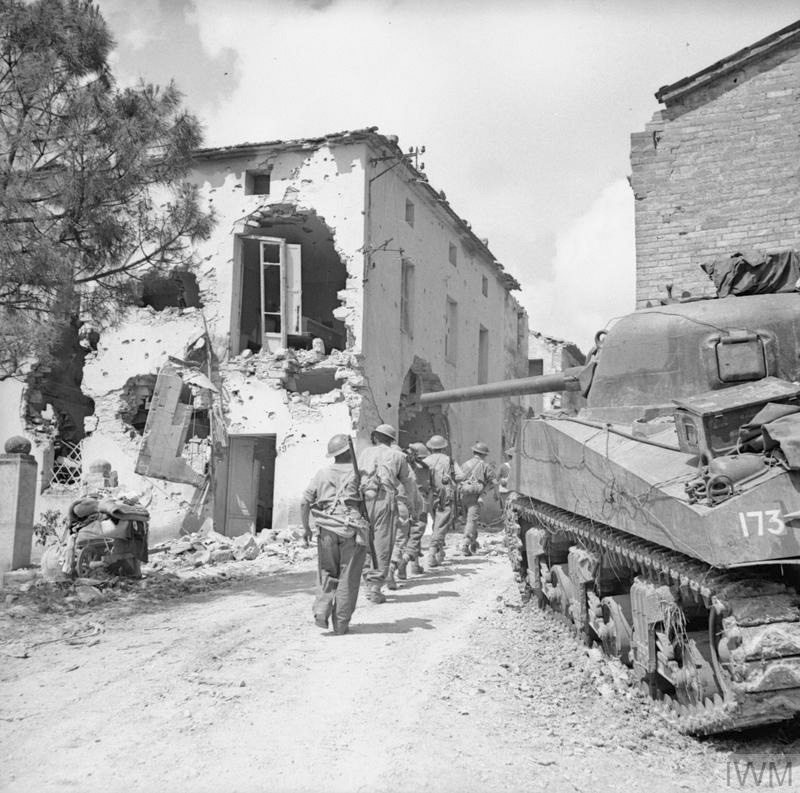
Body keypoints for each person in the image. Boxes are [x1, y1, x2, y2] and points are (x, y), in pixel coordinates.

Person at [300, 433, 368, 635]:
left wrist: (306, 528)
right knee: (348, 577)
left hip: (326, 528)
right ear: (350, 452)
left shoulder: (322, 473)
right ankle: (341, 623)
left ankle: (321, 611)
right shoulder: (360, 474)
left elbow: (304, 502)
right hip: (352, 531)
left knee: (327, 573)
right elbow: (372, 501)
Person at [358, 423, 416, 603]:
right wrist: (411, 504)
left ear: (375, 437)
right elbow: (408, 483)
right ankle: (375, 586)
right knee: (382, 543)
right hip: (385, 499)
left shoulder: (365, 453)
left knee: (365, 541)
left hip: (364, 500)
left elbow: (355, 476)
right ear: (392, 440)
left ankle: (368, 582)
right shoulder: (398, 455)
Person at [390, 442, 431, 580]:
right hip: (418, 502)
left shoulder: (392, 466)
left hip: (396, 502)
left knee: (399, 536)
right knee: (415, 535)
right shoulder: (424, 469)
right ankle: (407, 561)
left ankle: (407, 565)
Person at [423, 434, 463, 568]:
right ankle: (432, 552)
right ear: (443, 447)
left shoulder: (425, 460)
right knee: (441, 523)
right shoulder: (449, 460)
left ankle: (439, 551)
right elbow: (461, 475)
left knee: (436, 523)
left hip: (429, 495)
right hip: (445, 494)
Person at [459, 441, 494, 556]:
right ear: (483, 454)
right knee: (472, 521)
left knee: (469, 521)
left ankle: (473, 543)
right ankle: (465, 543)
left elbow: (458, 479)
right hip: (476, 497)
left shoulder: (465, 464)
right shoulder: (485, 466)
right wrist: (483, 494)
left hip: (464, 495)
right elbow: (493, 482)